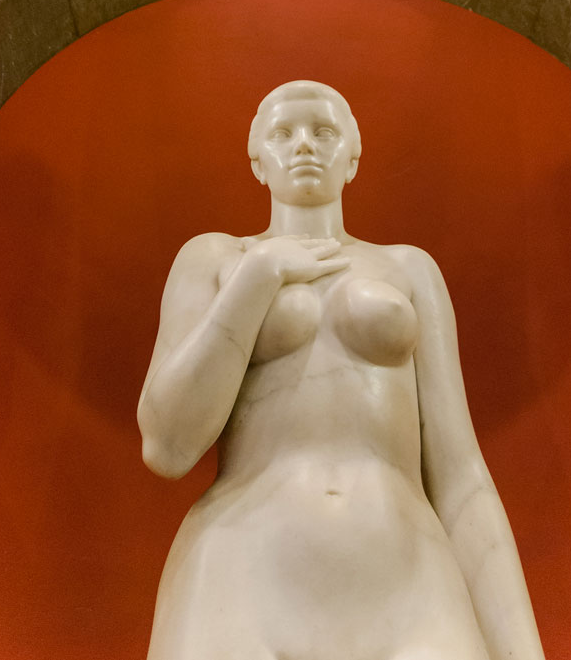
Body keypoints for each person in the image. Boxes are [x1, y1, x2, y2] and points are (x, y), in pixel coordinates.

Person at [138, 80, 545, 660]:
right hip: (243, 565)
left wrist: (522, 652)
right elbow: (167, 445)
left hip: (406, 570)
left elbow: (461, 476)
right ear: (257, 162)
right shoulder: (215, 258)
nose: (304, 144)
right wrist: (258, 278)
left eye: (324, 131)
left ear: (353, 158)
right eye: (283, 133)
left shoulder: (410, 270)